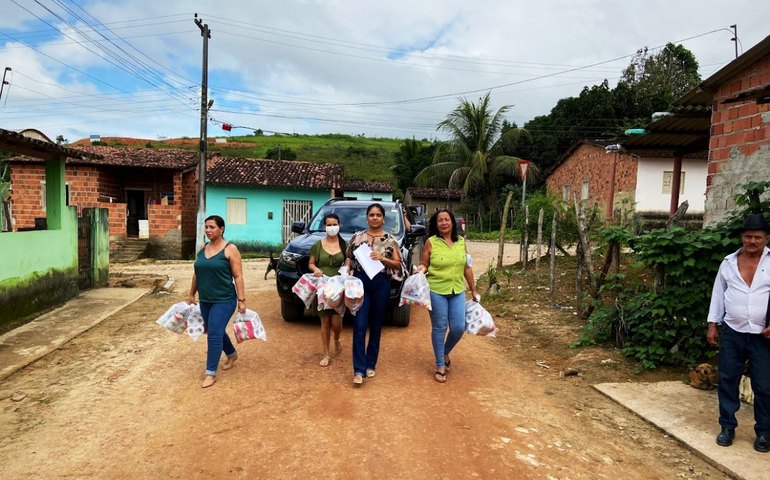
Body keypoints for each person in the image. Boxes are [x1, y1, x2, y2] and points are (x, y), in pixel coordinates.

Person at [707, 213, 770, 452]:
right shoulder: (728, 262)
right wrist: (713, 324)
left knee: (764, 385)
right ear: (742, 237)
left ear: (766, 238)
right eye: (748, 237)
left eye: (757, 237)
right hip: (732, 331)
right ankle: (727, 426)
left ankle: (764, 432)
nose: (752, 241)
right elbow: (718, 294)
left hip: (763, 336)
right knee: (727, 379)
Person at [416, 209, 478, 383]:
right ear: (436, 224)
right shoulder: (431, 242)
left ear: (452, 222)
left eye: (447, 220)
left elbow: (467, 267)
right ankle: (440, 365)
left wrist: (473, 289)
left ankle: (444, 351)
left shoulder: (461, 242)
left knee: (459, 327)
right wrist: (421, 269)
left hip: (457, 290)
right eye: (440, 220)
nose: (444, 223)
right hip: (436, 290)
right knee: (439, 327)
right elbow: (424, 263)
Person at [345, 203, 403, 385]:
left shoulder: (390, 240)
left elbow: (398, 264)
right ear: (367, 217)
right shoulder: (357, 237)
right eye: (372, 215)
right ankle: (358, 370)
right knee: (360, 325)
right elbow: (349, 257)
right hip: (361, 283)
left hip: (381, 283)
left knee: (376, 325)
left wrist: (383, 259)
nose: (375, 218)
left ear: (383, 218)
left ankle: (371, 364)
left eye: (378, 215)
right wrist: (347, 268)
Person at [188, 215, 246, 388]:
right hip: (206, 299)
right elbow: (197, 273)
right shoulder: (202, 248)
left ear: (221, 229)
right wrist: (191, 293)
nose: (208, 230)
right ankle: (231, 353)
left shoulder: (230, 249)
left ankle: (210, 373)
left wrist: (241, 300)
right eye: (206, 227)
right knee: (215, 330)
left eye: (212, 227)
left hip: (225, 299)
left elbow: (238, 276)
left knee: (213, 333)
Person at [309, 213, 347, 367]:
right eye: (329, 225)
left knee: (336, 322)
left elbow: (349, 263)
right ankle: (326, 354)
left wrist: (348, 270)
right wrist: (316, 269)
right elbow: (311, 263)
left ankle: (337, 338)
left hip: (338, 287)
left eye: (334, 224)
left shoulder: (344, 244)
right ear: (324, 226)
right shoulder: (317, 245)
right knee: (325, 321)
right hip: (323, 287)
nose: (332, 227)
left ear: (339, 225)